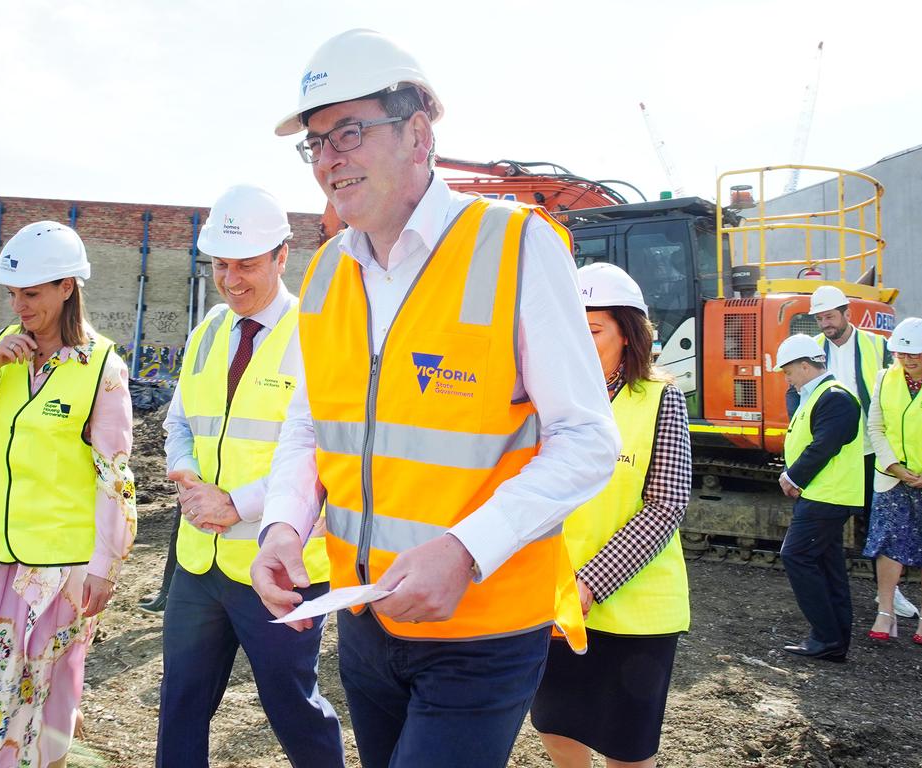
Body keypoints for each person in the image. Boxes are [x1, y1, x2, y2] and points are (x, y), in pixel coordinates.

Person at [251, 29, 619, 768]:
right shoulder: (327, 273)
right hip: (363, 621)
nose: (328, 159)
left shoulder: (516, 246)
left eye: (348, 132)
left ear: (418, 132)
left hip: (481, 630)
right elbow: (309, 421)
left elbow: (588, 441)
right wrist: (283, 527)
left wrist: (464, 551)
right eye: (316, 143)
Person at [0, 221, 136, 768]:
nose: (19, 306)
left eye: (32, 293)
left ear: (67, 287)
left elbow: (115, 476)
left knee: (40, 699)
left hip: (59, 569)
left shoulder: (103, 371)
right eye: (13, 294)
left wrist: (104, 565)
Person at [155, 185, 343, 768]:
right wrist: (187, 476)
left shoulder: (317, 332)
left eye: (247, 265)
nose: (232, 280)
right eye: (221, 265)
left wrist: (235, 504)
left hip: (281, 568)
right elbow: (179, 422)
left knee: (293, 707)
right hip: (198, 565)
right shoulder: (211, 328)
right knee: (180, 703)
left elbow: (325, 454)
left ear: (283, 256)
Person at [531, 263, 691, 768]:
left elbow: (666, 505)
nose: (578, 340)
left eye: (594, 328)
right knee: (554, 726)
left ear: (628, 333)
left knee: (626, 748)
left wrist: (589, 582)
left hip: (635, 610)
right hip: (549, 599)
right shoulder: (543, 400)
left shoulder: (661, 398)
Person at [809, 284, 918, 618]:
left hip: (871, 452)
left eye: (830, 316)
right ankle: (826, 591)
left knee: (881, 523)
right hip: (834, 455)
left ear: (846, 313)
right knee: (826, 524)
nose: (826, 323)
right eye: (820, 318)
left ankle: (889, 593)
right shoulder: (812, 350)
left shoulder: (877, 346)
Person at [865, 317, 922, 646]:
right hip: (893, 479)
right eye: (901, 354)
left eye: (914, 354)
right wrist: (894, 466)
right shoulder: (884, 379)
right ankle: (885, 610)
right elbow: (876, 427)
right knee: (888, 543)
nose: (907, 360)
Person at [776, 333, 863, 661]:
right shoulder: (817, 395)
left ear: (804, 365)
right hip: (823, 494)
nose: (786, 378)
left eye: (788, 371)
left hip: (827, 494)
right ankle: (834, 641)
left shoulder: (834, 397)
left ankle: (826, 637)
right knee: (829, 566)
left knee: (796, 556)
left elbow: (823, 445)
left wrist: (793, 476)